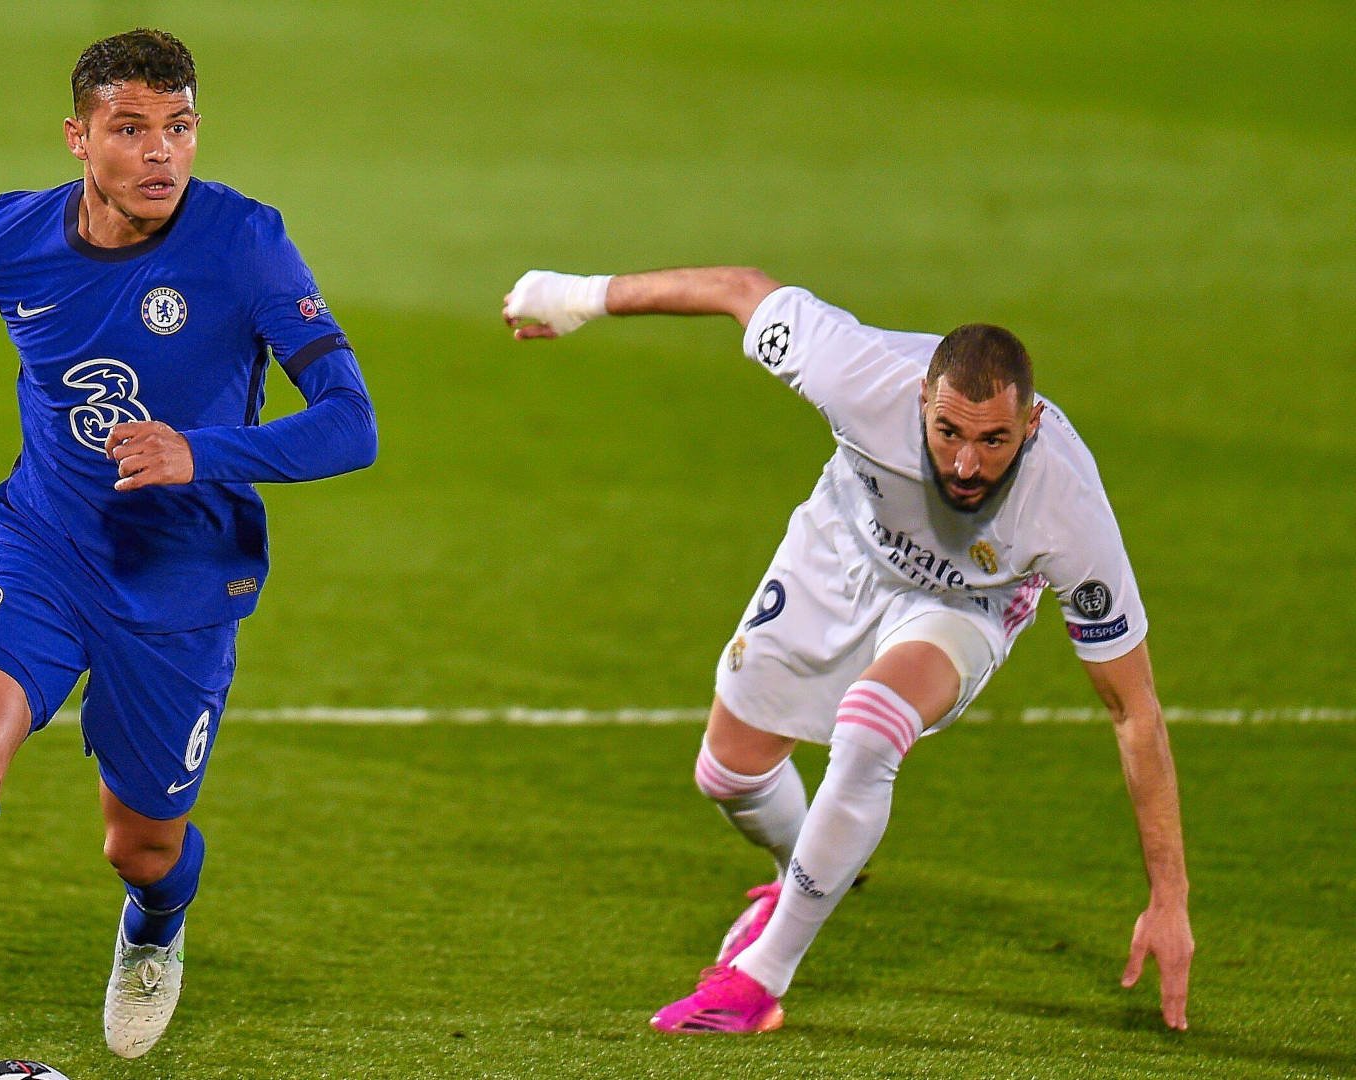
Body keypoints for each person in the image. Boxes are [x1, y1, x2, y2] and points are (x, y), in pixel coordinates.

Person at [0, 29, 376, 1080]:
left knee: (143, 845)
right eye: (131, 129)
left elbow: (352, 424)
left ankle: (155, 922)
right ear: (79, 138)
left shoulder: (246, 243)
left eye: (179, 127)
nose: (160, 152)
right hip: (41, 548)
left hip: (179, 579)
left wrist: (200, 453)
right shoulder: (2, 237)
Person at [502, 268, 1191, 1033]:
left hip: (965, 604)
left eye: (994, 440)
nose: (967, 465)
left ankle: (757, 983)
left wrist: (1170, 898)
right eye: (949, 433)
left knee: (870, 726)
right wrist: (576, 296)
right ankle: (803, 871)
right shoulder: (855, 374)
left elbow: (1133, 709)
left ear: (1030, 427)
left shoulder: (1068, 510)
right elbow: (739, 290)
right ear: (920, 402)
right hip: (840, 552)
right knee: (729, 773)